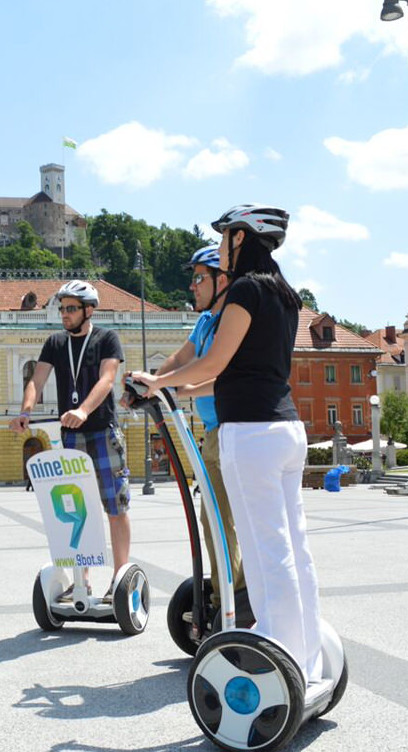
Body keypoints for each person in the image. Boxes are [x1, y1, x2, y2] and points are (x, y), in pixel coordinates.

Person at [131, 204, 324, 685]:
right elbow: (240, 368)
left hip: (251, 434)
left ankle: (276, 657)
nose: (219, 249)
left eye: (224, 240)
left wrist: (158, 383)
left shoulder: (245, 289)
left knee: (265, 552)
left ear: (242, 240)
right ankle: (309, 652)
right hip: (286, 430)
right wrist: (177, 387)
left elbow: (215, 361)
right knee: (295, 548)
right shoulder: (285, 294)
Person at [137, 244, 245, 614]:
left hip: (237, 430)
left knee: (225, 518)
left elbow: (222, 373)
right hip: (214, 434)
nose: (192, 286)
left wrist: (177, 387)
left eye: (199, 278)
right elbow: (181, 359)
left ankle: (235, 599)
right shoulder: (204, 322)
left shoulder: (234, 318)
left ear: (222, 279)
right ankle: (225, 595)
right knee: (213, 517)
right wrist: (152, 381)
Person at [10, 280, 130, 600]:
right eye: (62, 308)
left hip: (102, 430)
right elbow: (37, 379)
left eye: (71, 308)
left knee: (114, 505)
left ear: (89, 310)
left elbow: (107, 379)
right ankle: (82, 580)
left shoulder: (107, 339)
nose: (65, 314)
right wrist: (24, 411)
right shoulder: (55, 343)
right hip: (70, 436)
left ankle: (120, 578)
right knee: (79, 509)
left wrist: (83, 410)